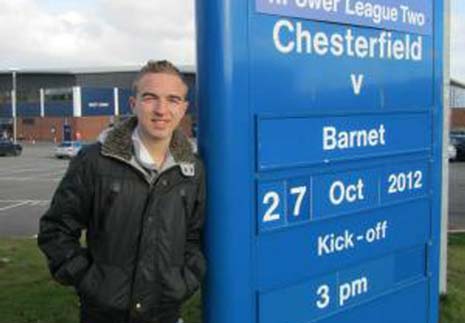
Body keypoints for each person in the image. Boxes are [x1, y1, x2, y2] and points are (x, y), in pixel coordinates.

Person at [38, 60, 206, 323]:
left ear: (183, 108)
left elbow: (195, 237)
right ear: (133, 104)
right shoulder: (93, 161)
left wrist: (184, 281)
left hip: (165, 311)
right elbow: (56, 229)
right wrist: (90, 282)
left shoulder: (194, 170)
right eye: (150, 98)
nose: (161, 110)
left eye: (173, 99)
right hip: (103, 313)